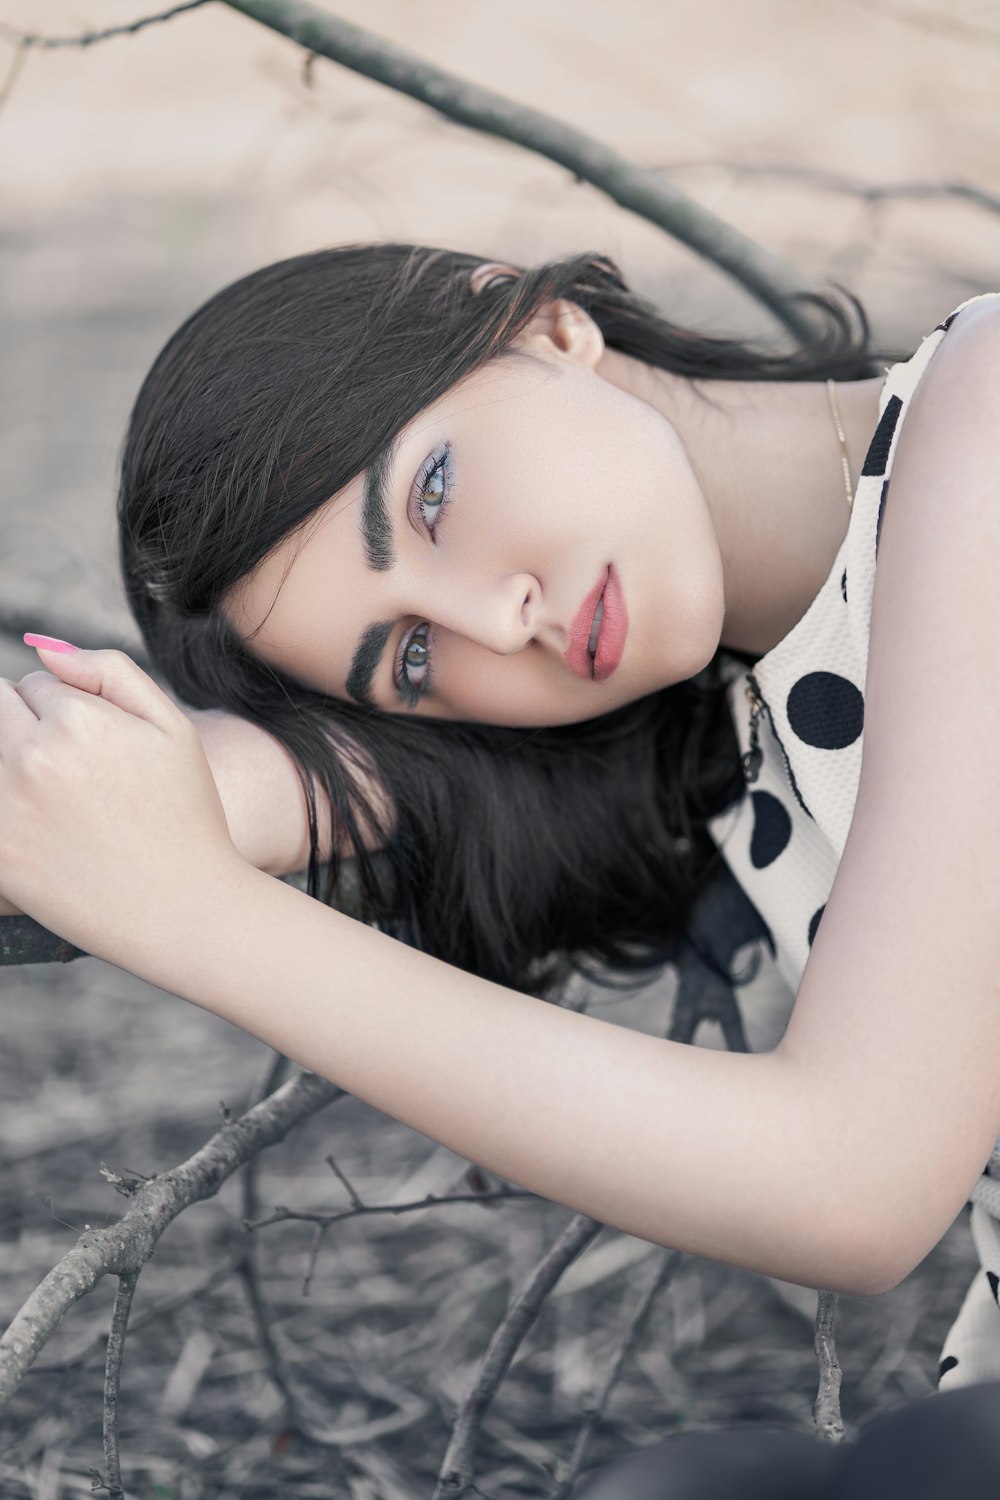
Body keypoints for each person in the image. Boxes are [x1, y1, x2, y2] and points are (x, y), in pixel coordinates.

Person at [2, 244, 1000, 1492]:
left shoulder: (984, 411)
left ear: (537, 324)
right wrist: (78, 792)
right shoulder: (730, 713)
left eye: (430, 498)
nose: (494, 621)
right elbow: (258, 781)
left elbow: (851, 1183)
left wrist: (181, 909)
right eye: (411, 661)